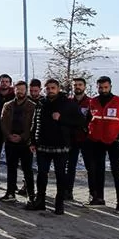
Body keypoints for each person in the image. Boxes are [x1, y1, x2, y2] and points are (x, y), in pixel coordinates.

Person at [28, 79, 84, 214]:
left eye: (53, 88)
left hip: (61, 146)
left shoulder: (68, 104)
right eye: (48, 88)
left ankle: (59, 204)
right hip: (43, 145)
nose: (50, 90)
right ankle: (40, 201)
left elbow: (81, 122)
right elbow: (35, 123)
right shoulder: (41, 103)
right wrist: (33, 141)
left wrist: (62, 119)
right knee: (41, 174)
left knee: (60, 175)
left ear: (58, 89)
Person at [86, 76, 119, 211]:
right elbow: (89, 119)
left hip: (113, 142)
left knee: (116, 172)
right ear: (97, 87)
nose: (103, 90)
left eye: (105, 87)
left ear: (110, 86)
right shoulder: (93, 101)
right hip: (98, 141)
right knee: (98, 171)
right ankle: (99, 198)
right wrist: (89, 132)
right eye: (100, 87)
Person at [0, 81, 36, 203]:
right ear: (14, 90)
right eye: (17, 89)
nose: (20, 91)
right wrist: (9, 136)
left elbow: (33, 124)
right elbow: (3, 122)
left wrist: (23, 137)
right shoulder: (7, 105)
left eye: (22, 89)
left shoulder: (32, 106)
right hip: (10, 142)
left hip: (25, 142)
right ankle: (10, 193)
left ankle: (31, 195)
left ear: (26, 90)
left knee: (27, 169)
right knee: (11, 168)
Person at [67, 77, 92, 202]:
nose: (77, 87)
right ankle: (68, 192)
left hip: (86, 139)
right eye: (75, 85)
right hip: (71, 139)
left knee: (90, 167)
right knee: (70, 167)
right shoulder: (68, 102)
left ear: (84, 87)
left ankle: (93, 194)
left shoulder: (90, 102)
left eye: (80, 84)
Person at [0, 74, 14, 190]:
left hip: (10, 129)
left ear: (10, 83)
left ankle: (12, 183)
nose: (4, 83)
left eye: (7, 81)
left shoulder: (14, 96)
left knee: (11, 157)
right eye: (2, 81)